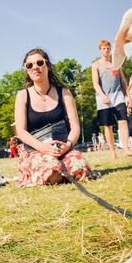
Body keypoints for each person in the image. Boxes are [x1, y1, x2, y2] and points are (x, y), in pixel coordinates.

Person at [14, 48, 91, 187]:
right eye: (29, 65)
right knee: (51, 172)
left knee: (78, 167)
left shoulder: (64, 93)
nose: (35, 67)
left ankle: (63, 172)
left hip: (62, 148)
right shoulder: (23, 95)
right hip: (35, 150)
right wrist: (43, 148)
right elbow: (21, 131)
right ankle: (54, 174)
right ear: (27, 70)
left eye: (39, 63)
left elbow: (75, 127)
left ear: (48, 66)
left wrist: (67, 146)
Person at [91, 39, 132, 159]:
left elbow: (123, 82)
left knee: (123, 121)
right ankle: (112, 151)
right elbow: (95, 84)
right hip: (103, 99)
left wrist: (127, 96)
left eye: (108, 48)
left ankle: (126, 149)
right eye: (103, 49)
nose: (106, 51)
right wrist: (102, 95)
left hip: (118, 96)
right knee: (108, 126)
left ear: (110, 50)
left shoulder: (117, 64)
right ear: (100, 50)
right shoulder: (96, 65)